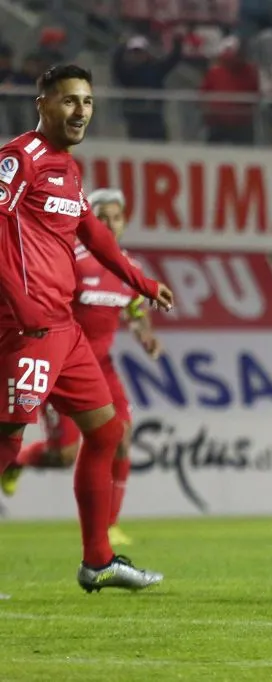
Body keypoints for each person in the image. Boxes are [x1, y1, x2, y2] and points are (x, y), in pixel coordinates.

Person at [0, 64, 174, 592]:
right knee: (7, 441)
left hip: (63, 327)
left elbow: (91, 232)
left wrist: (140, 280)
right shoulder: (18, 159)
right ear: (43, 103)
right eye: (70, 100)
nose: (81, 111)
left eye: (88, 102)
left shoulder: (68, 170)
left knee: (106, 430)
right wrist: (20, 304)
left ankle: (98, 560)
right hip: (26, 327)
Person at [0, 187, 163, 548]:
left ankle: (109, 528)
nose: (108, 223)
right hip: (60, 362)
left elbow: (136, 312)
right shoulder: (70, 258)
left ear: (124, 222)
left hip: (100, 365)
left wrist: (145, 335)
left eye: (115, 217)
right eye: (101, 216)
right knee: (63, 455)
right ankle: (18, 462)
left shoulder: (127, 268)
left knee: (120, 436)